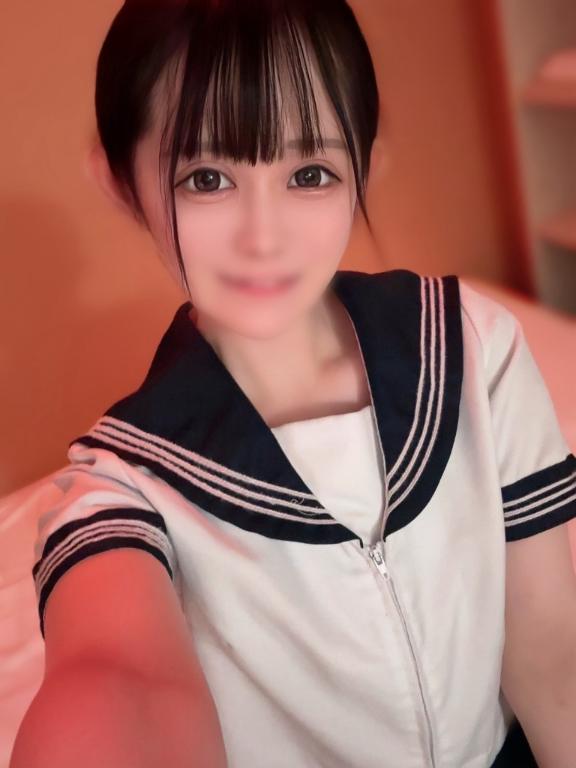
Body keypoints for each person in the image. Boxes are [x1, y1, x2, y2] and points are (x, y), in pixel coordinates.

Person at [9, 1, 576, 766]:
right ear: (120, 182)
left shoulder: (474, 347)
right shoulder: (122, 489)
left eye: (310, 174)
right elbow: (117, 680)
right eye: (207, 178)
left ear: (365, 164)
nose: (264, 237)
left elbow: (557, 668)